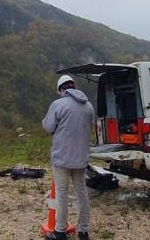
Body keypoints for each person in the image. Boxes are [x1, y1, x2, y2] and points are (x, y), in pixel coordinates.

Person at [42, 75, 95, 240]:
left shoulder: (58, 104)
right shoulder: (89, 106)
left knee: (62, 194)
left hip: (62, 158)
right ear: (73, 87)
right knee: (81, 192)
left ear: (61, 89)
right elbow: (90, 128)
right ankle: (84, 231)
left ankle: (60, 232)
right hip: (81, 158)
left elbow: (49, 127)